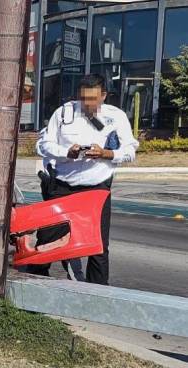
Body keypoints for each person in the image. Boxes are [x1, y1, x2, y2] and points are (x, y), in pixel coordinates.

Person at [28, 74, 139, 285]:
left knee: (97, 244)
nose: (87, 103)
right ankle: (34, 282)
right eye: (84, 98)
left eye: (93, 99)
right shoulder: (63, 114)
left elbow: (130, 150)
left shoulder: (116, 116)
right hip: (62, 186)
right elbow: (42, 146)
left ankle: (98, 293)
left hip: (96, 187)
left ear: (104, 95)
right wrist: (66, 152)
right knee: (48, 238)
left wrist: (106, 154)